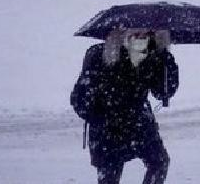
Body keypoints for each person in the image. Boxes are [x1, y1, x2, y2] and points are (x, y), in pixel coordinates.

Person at [71, 29, 179, 184]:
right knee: (109, 177)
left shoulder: (153, 55)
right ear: (123, 31)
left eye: (146, 33)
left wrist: (166, 61)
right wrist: (102, 117)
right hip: (108, 131)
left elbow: (163, 92)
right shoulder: (100, 55)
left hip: (140, 124)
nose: (141, 37)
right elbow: (79, 99)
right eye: (136, 32)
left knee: (159, 162)